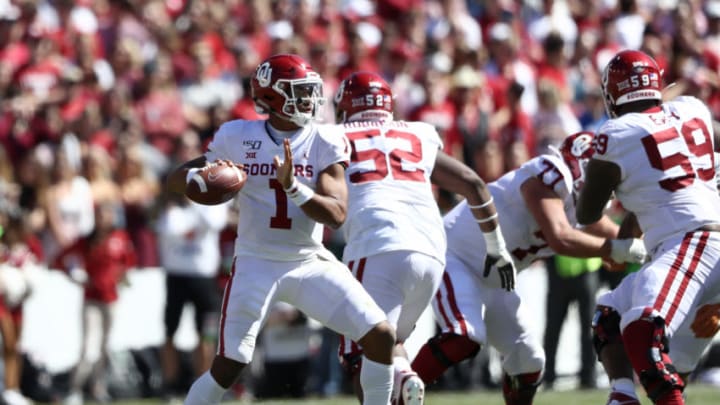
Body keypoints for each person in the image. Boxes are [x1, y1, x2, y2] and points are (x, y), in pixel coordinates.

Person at [165, 54, 396, 405]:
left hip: (307, 261)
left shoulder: (325, 139)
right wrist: (201, 179)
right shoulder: (237, 136)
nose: (310, 100)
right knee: (229, 365)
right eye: (299, 92)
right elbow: (175, 181)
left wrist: (294, 187)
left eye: (310, 91)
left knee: (380, 336)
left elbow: (336, 214)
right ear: (272, 97)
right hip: (256, 261)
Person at [411, 131, 649, 405]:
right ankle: (396, 396)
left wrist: (646, 222)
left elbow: (619, 240)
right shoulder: (548, 174)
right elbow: (560, 237)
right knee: (463, 335)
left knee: (528, 360)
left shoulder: (576, 202)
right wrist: (616, 249)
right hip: (455, 256)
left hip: (495, 279)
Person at [333, 71, 515, 405]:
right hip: (431, 251)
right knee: (389, 342)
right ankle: (405, 375)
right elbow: (473, 184)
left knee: (365, 354)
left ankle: (404, 376)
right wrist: (496, 248)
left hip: (378, 243)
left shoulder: (334, 135)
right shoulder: (418, 132)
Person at [577, 49, 720, 405]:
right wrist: (628, 235)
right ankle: (623, 397)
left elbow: (586, 212)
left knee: (642, 327)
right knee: (610, 315)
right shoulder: (693, 109)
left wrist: (590, 177)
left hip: (692, 245)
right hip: (695, 248)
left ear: (612, 93)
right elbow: (671, 186)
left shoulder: (615, 133)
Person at [54, 201, 136, 405]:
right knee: (89, 346)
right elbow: (61, 259)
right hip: (91, 299)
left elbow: (129, 261)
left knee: (105, 345)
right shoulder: (87, 240)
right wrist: (74, 275)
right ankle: (75, 388)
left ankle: (98, 387)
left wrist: (121, 276)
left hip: (111, 299)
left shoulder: (120, 238)